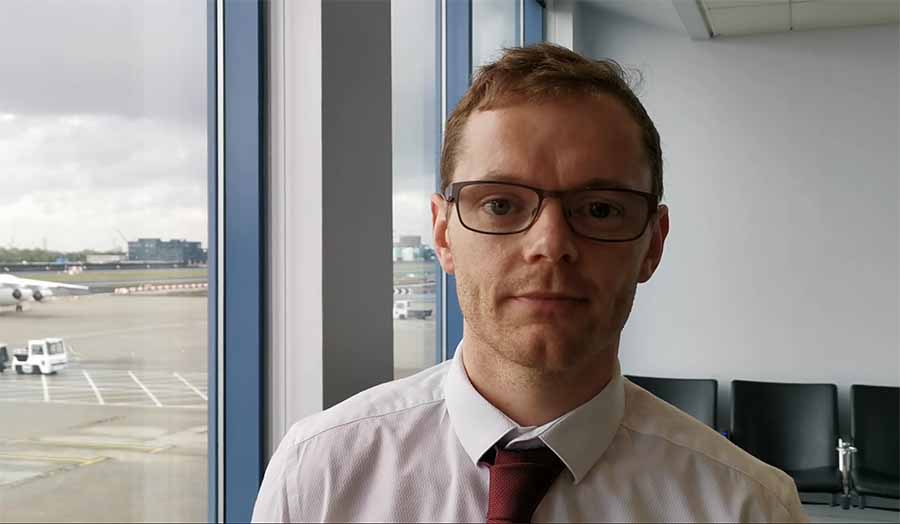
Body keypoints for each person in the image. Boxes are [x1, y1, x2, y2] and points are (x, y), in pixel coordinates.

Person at [252, 43, 807, 523]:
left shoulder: (749, 507)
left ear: (653, 244)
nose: (551, 244)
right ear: (443, 235)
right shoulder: (319, 477)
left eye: (601, 209)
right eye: (499, 203)